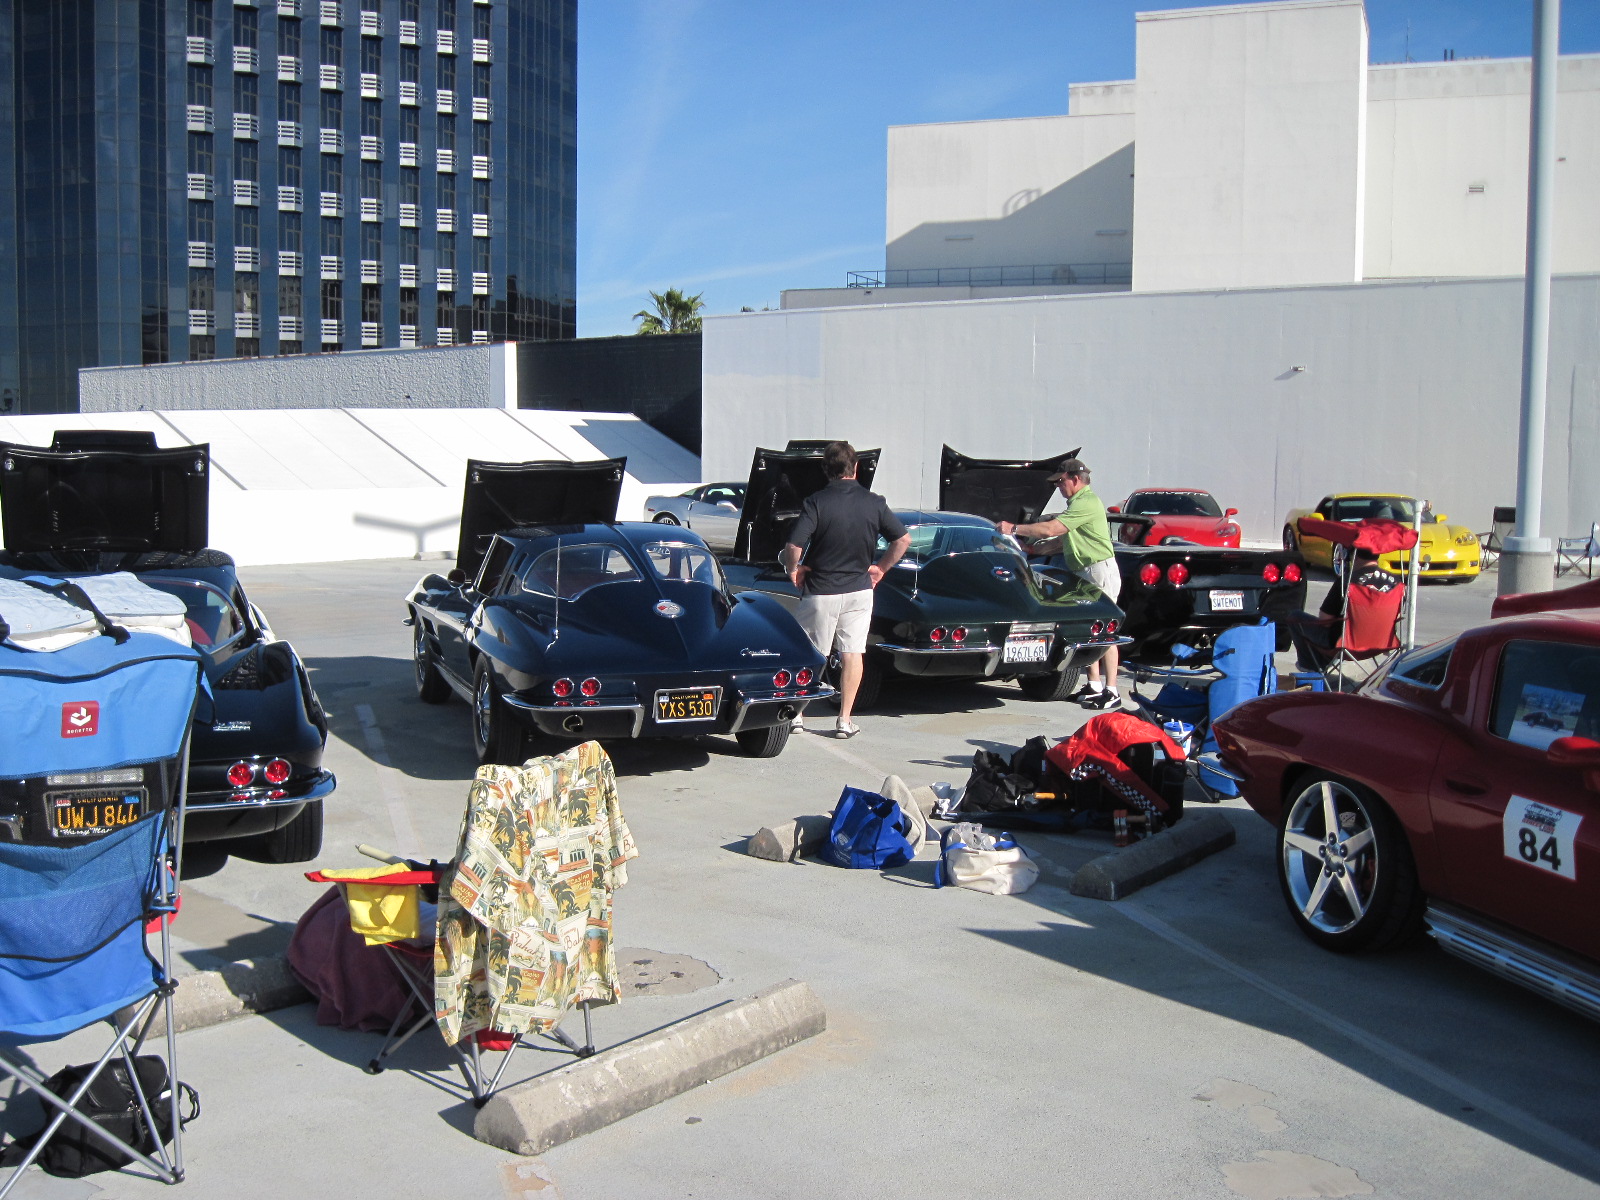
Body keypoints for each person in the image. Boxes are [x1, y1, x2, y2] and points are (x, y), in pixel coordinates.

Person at [781, 442, 911, 738]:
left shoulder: (816, 501)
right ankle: (844, 720)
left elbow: (793, 546)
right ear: (856, 467)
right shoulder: (875, 502)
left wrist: (793, 569)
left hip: (821, 591)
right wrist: (880, 568)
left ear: (826, 470)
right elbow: (902, 540)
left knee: (812, 653)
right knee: (853, 654)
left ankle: (797, 716)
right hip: (859, 592)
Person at [997, 458, 1122, 709]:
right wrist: (1033, 548)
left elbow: (1052, 529)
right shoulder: (1077, 504)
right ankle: (1094, 685)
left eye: (1061, 482)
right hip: (1085, 570)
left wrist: (1015, 528)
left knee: (1104, 630)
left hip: (1098, 569)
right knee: (1088, 629)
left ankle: (1112, 690)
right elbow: (1062, 540)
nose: (1058, 487)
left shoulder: (1086, 502)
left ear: (1075, 479)